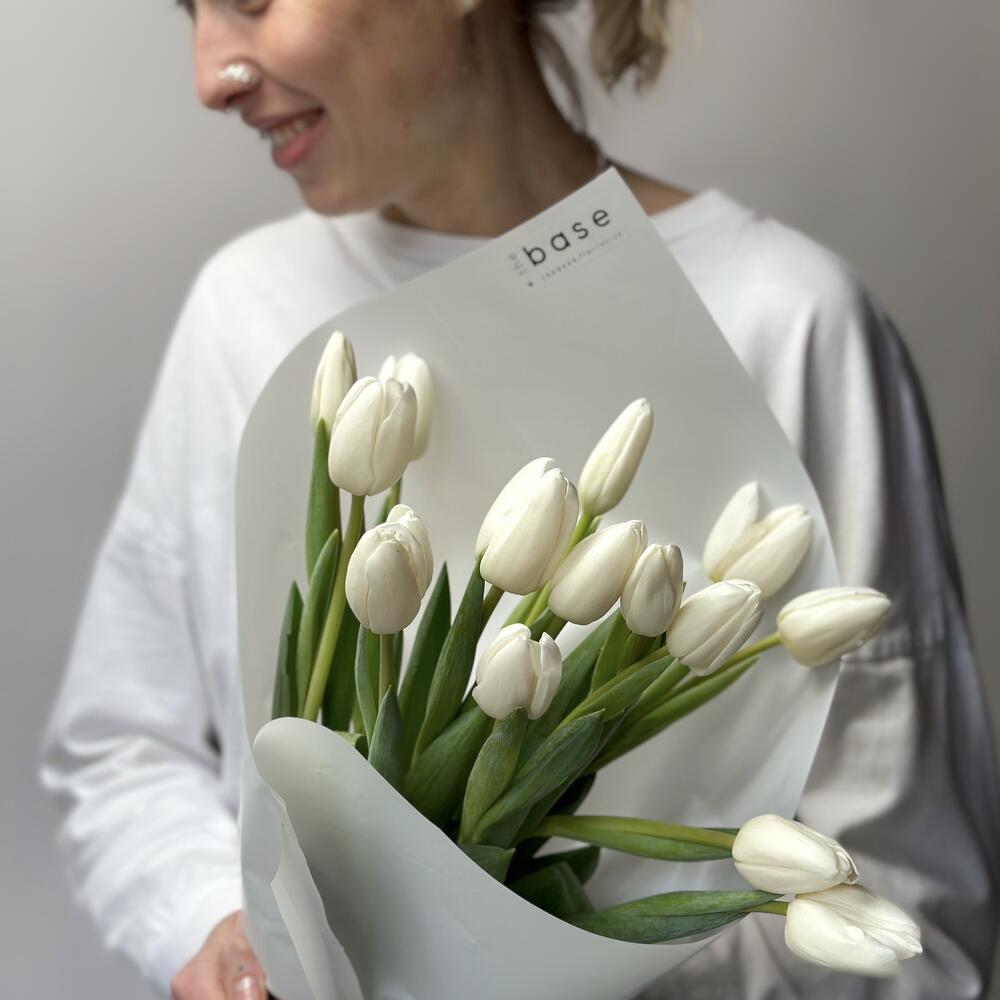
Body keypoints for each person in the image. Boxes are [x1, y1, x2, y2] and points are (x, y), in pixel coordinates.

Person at [39, 0, 1000, 998]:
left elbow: (911, 914)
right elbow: (122, 746)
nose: (210, 77)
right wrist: (221, 927)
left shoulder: (785, 322)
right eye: (187, 11)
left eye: (248, 0)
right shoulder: (243, 309)